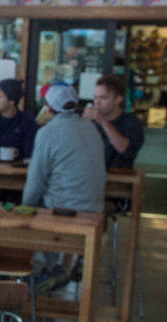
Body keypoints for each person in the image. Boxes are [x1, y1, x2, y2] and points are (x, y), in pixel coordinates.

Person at [23, 84, 107, 287]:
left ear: (48, 108)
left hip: (64, 212)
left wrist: (23, 208)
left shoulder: (48, 133)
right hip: (96, 211)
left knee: (25, 215)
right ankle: (56, 269)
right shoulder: (91, 128)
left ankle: (42, 273)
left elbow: (35, 182)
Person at [84, 74, 145, 169]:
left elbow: (127, 151)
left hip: (118, 177)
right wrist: (82, 124)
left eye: (103, 98)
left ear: (118, 100)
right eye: (95, 97)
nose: (97, 102)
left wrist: (103, 122)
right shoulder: (92, 122)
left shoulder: (131, 122)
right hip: (91, 175)